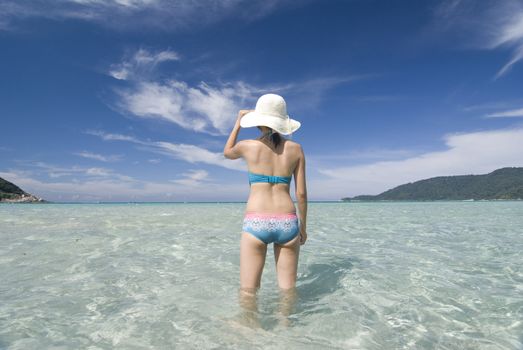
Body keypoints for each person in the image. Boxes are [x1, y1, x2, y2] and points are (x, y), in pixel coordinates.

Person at [223, 93, 308, 309]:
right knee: (288, 291)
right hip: (287, 222)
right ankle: (285, 329)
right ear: (283, 122)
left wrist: (238, 122)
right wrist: (303, 228)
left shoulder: (247, 146)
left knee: (248, 291)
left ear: (259, 122)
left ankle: (250, 331)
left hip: (256, 221)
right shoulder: (296, 149)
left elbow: (227, 152)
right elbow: (301, 195)